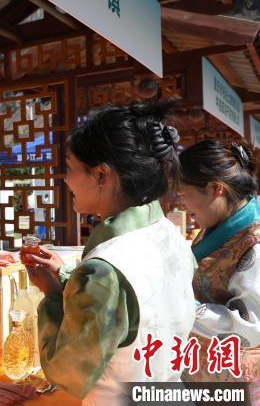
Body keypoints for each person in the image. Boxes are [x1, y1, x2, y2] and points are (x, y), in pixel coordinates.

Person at [21, 103, 196, 405]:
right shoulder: (170, 235)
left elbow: (66, 372)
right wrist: (70, 278)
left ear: (102, 174)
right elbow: (138, 309)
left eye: (70, 168)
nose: (66, 180)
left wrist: (52, 297)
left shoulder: (105, 268)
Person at [177, 140, 260, 393]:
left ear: (215, 189)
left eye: (183, 195)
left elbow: (251, 328)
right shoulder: (215, 230)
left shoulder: (254, 245)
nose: (182, 206)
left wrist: (181, 305)